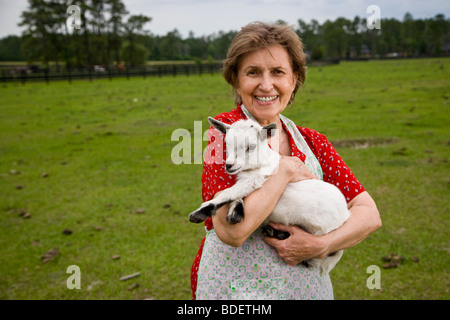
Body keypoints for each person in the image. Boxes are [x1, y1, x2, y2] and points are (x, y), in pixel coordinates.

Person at [190, 21, 381, 300]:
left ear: (294, 79)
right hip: (237, 293)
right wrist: (285, 170)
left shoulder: (313, 141)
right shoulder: (225, 134)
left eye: (278, 72)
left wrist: (319, 245)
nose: (266, 85)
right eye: (253, 72)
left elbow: (368, 213)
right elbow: (232, 232)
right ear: (236, 79)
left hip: (305, 292)